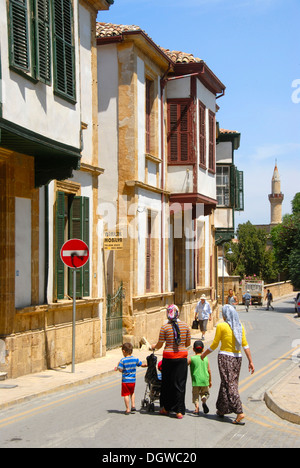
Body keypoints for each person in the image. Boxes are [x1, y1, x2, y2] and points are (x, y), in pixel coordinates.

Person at [201, 305, 255, 425]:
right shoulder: (239, 326)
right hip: (237, 358)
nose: (223, 315)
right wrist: (250, 361)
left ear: (226, 314)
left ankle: (239, 411)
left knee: (230, 384)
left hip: (225, 357)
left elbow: (215, 344)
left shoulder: (222, 325)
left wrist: (204, 354)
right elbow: (245, 344)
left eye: (223, 313)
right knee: (227, 382)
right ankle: (221, 409)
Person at [151, 304, 191, 419]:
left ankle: (166, 408)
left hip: (168, 358)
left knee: (167, 383)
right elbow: (188, 344)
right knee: (180, 384)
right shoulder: (186, 326)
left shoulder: (164, 327)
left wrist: (153, 346)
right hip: (181, 358)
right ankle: (179, 411)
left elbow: (159, 344)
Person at [115, 342, 147, 415]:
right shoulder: (135, 359)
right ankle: (133, 406)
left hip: (125, 381)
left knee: (126, 394)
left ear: (124, 351)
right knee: (132, 393)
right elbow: (141, 364)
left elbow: (120, 370)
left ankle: (128, 409)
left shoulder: (122, 360)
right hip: (133, 380)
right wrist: (147, 365)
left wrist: (117, 366)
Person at [188, 340, 212, 415]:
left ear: (193, 349)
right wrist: (210, 381)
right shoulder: (206, 358)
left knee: (195, 395)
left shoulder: (192, 359)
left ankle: (197, 408)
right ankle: (204, 398)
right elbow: (209, 371)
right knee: (205, 393)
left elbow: (185, 365)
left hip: (196, 380)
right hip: (205, 380)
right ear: (203, 349)